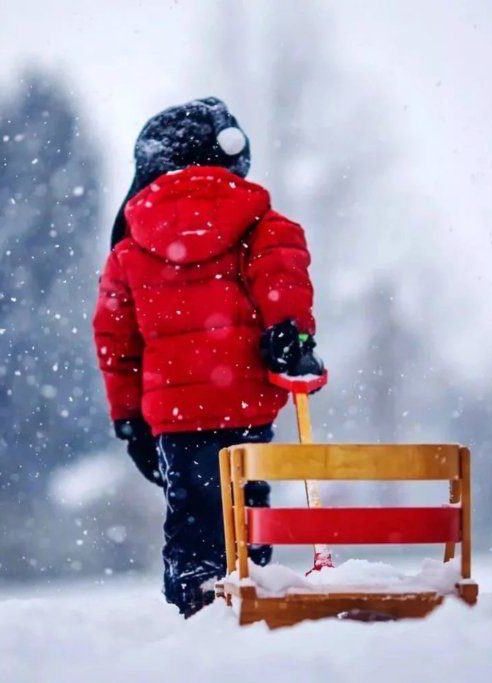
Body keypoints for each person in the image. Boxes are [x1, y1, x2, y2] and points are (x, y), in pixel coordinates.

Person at [92, 97, 325, 617]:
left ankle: (197, 599)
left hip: (173, 415)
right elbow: (282, 277)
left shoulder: (128, 250)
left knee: (193, 512)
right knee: (245, 505)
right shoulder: (263, 225)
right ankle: (250, 590)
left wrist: (128, 419)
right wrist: (292, 336)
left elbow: (116, 343)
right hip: (244, 400)